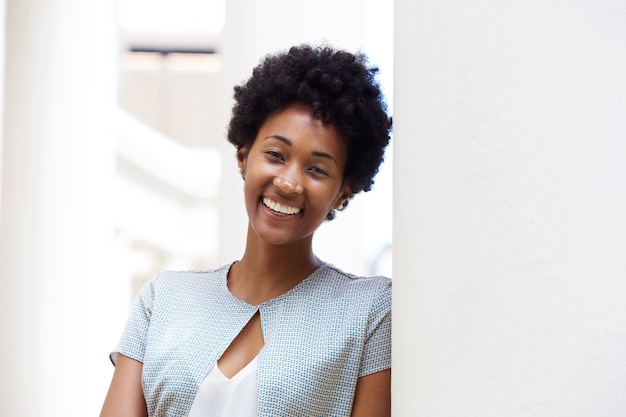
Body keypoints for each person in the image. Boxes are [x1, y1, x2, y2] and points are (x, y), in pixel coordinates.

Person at [100, 44, 392, 417]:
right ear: (243, 157)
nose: (288, 183)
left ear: (342, 194)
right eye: (275, 154)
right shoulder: (163, 299)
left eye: (317, 169)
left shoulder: (371, 310)